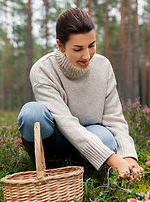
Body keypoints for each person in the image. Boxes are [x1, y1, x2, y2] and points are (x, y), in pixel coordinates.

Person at [17, 8, 143, 179]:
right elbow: (66, 123)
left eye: (91, 45)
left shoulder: (103, 66)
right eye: (78, 49)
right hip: (58, 141)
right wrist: (113, 160)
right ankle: (50, 165)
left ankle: (85, 167)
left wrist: (128, 157)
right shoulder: (43, 70)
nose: (86, 56)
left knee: (105, 138)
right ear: (60, 45)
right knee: (31, 114)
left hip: (93, 133)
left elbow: (114, 118)